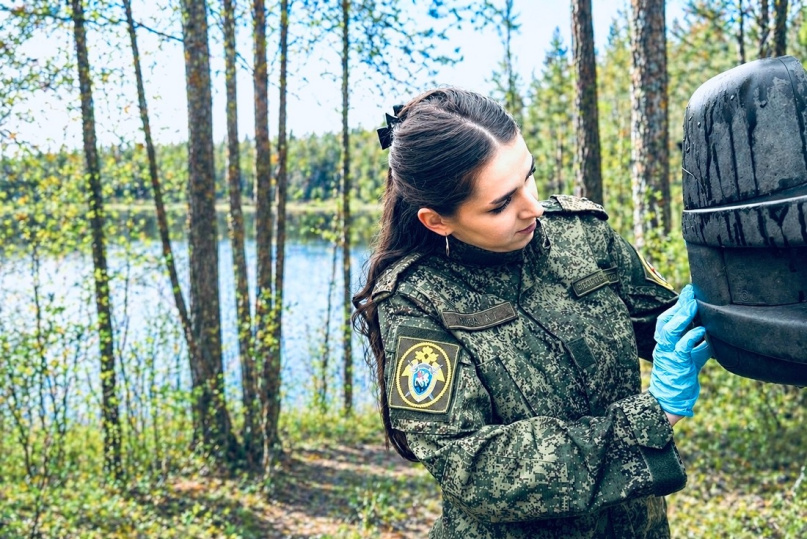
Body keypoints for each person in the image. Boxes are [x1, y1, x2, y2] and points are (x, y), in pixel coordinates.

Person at [352, 87, 712, 538]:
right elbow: (474, 470)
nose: (533, 207)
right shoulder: (418, 300)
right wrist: (652, 416)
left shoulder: (581, 237)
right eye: (501, 204)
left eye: (530, 177)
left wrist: (735, 291)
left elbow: (671, 322)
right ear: (437, 221)